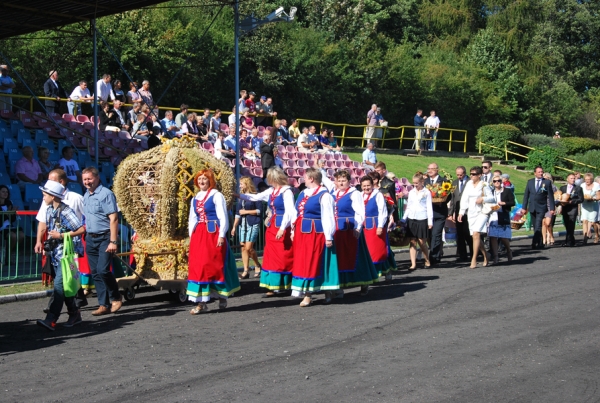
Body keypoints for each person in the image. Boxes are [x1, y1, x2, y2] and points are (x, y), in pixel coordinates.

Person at [187, 169, 240, 314]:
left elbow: (223, 216)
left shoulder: (217, 196)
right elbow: (192, 218)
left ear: (210, 180)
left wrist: (222, 235)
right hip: (199, 234)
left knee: (213, 264)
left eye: (204, 179)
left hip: (212, 233)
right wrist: (192, 236)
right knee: (199, 266)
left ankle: (221, 296)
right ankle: (201, 302)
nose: (202, 181)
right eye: (199, 179)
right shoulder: (195, 198)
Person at [34, 181, 86, 331]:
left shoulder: (65, 211)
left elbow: (81, 229)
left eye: (45, 195)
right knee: (66, 287)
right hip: (57, 254)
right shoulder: (50, 209)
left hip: (66, 254)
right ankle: (75, 314)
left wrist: (61, 235)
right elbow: (48, 228)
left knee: (58, 287)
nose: (43, 197)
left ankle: (51, 319)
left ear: (52, 196)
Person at [237, 167, 296, 295]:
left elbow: (290, 212)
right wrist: (238, 195)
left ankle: (284, 284)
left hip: (282, 227)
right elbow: (255, 197)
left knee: (282, 256)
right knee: (270, 256)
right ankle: (272, 285)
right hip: (272, 226)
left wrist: (282, 228)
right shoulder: (272, 191)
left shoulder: (287, 192)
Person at [322, 169, 378, 297]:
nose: (341, 183)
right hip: (338, 230)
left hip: (351, 229)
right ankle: (340, 286)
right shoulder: (334, 193)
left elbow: (360, 211)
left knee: (356, 257)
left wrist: (358, 227)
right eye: (339, 181)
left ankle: (364, 282)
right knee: (340, 258)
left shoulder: (354, 193)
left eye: (344, 181)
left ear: (349, 181)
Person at [291, 168, 338, 306]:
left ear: (311, 178)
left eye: (305, 177)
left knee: (317, 261)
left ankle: (322, 291)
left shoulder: (325, 195)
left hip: (316, 234)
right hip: (302, 233)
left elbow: (328, 216)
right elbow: (296, 214)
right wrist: (293, 230)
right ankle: (307, 292)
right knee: (304, 261)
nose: (303, 179)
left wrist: (328, 236)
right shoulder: (303, 193)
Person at [82, 167, 122, 316]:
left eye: (89, 179)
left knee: (103, 270)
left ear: (97, 178)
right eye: (85, 179)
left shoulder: (106, 194)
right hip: (91, 238)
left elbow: (114, 218)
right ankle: (103, 304)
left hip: (105, 237)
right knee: (96, 273)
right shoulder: (86, 195)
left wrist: (113, 241)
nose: (87, 182)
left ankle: (116, 296)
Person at [458, 166, 495, 268]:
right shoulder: (469, 184)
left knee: (476, 233)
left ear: (479, 175)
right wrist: (461, 212)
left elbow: (492, 198)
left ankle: (473, 259)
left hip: (482, 212)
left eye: (474, 174)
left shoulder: (484, 184)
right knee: (475, 236)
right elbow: (464, 198)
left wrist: (482, 198)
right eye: (471, 174)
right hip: (471, 212)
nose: (472, 176)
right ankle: (486, 255)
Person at [360, 175, 394, 279]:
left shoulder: (378, 195)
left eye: (368, 185)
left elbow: (382, 212)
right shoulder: (360, 195)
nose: (366, 188)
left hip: (375, 226)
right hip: (364, 227)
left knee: (378, 251)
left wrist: (380, 227)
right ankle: (371, 272)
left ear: (372, 185)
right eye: (364, 186)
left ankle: (385, 270)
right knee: (368, 251)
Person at [231, 177, 263, 279]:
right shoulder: (241, 198)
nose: (240, 186)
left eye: (241, 184)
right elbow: (237, 213)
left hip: (253, 223)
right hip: (242, 224)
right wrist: (234, 226)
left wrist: (246, 212)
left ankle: (257, 265)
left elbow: (259, 211)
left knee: (249, 248)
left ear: (247, 184)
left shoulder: (255, 196)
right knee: (243, 248)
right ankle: (246, 270)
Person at [403, 172, 433, 270]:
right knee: (412, 241)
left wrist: (430, 222)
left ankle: (427, 259)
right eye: (414, 183)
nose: (415, 185)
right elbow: (409, 206)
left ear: (422, 182)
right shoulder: (411, 192)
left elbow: (429, 207)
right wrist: (404, 218)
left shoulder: (427, 192)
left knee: (421, 242)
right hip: (412, 218)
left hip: (422, 218)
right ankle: (413, 263)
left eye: (417, 183)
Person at [521, 166, 555, 249]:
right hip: (532, 207)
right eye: (539, 172)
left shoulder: (546, 182)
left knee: (538, 224)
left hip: (542, 207)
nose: (541, 173)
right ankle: (540, 242)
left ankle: (534, 242)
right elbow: (526, 195)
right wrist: (524, 207)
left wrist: (552, 208)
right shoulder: (530, 182)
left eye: (541, 172)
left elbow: (550, 196)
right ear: (535, 173)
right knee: (535, 225)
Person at [424, 162, 451, 265]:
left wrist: (442, 200)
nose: (429, 170)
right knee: (429, 235)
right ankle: (435, 253)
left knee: (436, 234)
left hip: (439, 212)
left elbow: (448, 195)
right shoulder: (425, 181)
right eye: (428, 168)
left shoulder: (444, 181)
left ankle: (434, 257)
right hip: (428, 213)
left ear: (437, 170)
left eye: (432, 169)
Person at [488, 174, 515, 264]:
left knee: (503, 237)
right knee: (493, 237)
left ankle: (508, 250)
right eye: (495, 181)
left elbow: (512, 202)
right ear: (492, 182)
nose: (497, 183)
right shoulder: (491, 192)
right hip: (493, 216)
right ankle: (495, 256)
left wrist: (504, 203)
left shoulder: (507, 191)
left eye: (499, 181)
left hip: (503, 215)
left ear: (501, 181)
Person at [448, 166, 472, 262]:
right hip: (458, 211)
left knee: (468, 234)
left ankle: (473, 254)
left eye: (461, 175)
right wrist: (451, 213)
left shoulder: (470, 182)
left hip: (469, 211)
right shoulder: (454, 183)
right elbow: (453, 199)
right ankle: (462, 255)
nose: (459, 176)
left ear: (465, 173)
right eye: (457, 174)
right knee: (460, 234)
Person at [559, 173, 584, 247]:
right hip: (565, 209)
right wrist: (560, 205)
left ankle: (569, 242)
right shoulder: (562, 188)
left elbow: (581, 199)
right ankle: (571, 241)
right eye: (571, 178)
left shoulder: (578, 188)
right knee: (567, 225)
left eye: (574, 178)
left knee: (571, 225)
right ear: (567, 179)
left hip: (573, 209)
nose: (573, 180)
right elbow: (559, 197)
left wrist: (572, 201)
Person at [0, 185, 22, 250]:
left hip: (9, 226)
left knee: (21, 235)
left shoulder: (8, 203)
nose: (5, 193)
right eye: (3, 192)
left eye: (6, 192)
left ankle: (9, 252)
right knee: (13, 236)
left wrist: (12, 213)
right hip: (1, 227)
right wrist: (7, 213)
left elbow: (13, 220)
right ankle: (7, 254)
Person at [580, 173, 600, 244]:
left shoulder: (596, 185)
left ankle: (597, 235)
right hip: (585, 205)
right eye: (586, 179)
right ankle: (585, 237)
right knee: (585, 221)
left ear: (592, 179)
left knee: (594, 222)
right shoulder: (582, 185)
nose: (587, 181)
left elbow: (598, 197)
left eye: (589, 179)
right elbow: (580, 195)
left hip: (593, 205)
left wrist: (593, 198)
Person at [542, 172, 558, 246]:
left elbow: (557, 197)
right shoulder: (540, 186)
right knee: (543, 223)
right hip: (542, 205)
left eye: (545, 178)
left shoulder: (553, 187)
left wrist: (555, 206)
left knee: (548, 223)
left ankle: (551, 236)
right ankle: (544, 239)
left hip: (550, 206)